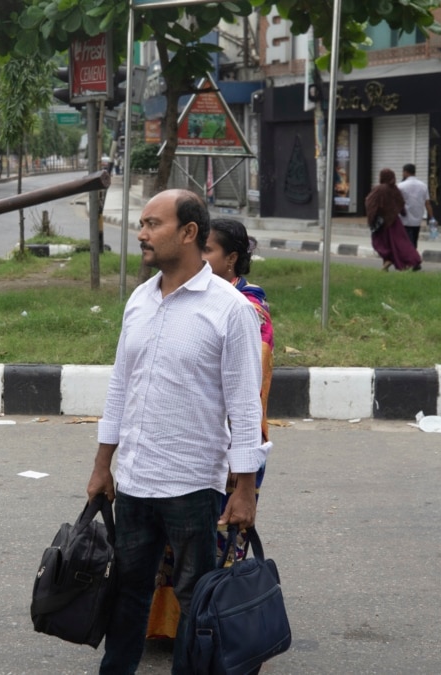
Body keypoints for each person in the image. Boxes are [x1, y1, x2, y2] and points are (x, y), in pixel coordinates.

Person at [87, 189, 271, 674]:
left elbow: (244, 407)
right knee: (127, 594)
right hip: (134, 481)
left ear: (189, 233)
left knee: (195, 600)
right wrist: (103, 464)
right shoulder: (139, 300)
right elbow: (120, 389)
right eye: (142, 224)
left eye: (153, 224)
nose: (142, 234)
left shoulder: (230, 309)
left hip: (193, 485)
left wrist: (246, 488)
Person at [145, 217, 275, 641]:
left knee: (217, 545)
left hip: (229, 446)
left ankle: (215, 632)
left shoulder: (247, 308)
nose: (199, 258)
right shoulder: (181, 296)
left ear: (231, 259)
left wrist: (242, 468)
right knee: (172, 544)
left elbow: (248, 392)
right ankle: (172, 628)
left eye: (210, 252)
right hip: (180, 447)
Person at [366, 168, 422, 271]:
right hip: (395, 222)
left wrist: (372, 217)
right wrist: (402, 212)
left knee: (380, 243)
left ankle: (388, 261)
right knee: (400, 243)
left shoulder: (379, 189)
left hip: (382, 223)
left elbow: (370, 202)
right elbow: (401, 203)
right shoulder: (394, 189)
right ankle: (413, 260)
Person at [397, 163, 436, 249]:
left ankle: (409, 259)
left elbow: (396, 202)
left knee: (405, 241)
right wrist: (432, 217)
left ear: (406, 172)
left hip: (404, 219)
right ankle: (413, 258)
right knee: (414, 240)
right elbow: (427, 203)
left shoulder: (400, 186)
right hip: (417, 219)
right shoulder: (423, 186)